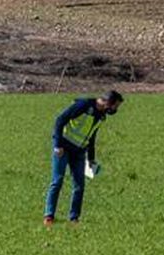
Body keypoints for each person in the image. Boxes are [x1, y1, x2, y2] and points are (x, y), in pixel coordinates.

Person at [43, 90, 124, 226]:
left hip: (79, 152)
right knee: (57, 181)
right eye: (115, 106)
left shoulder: (102, 116)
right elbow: (60, 120)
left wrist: (91, 158)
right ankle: (49, 216)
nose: (115, 110)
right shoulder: (83, 105)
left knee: (79, 185)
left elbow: (92, 136)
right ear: (108, 102)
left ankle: (74, 218)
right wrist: (57, 145)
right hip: (63, 147)